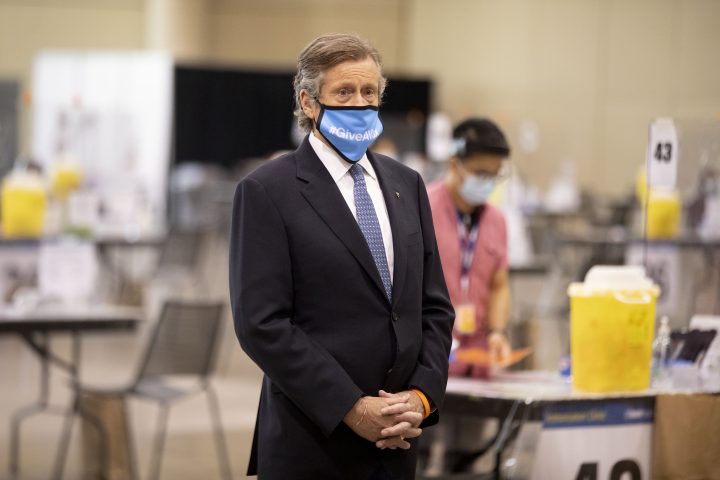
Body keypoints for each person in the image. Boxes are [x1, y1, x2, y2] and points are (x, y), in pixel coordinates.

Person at [229, 33, 454, 479]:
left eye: (368, 93)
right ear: (309, 102)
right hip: (313, 438)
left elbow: (433, 306)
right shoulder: (267, 190)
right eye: (344, 93)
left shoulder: (406, 184)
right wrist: (351, 407)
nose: (359, 104)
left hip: (397, 439)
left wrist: (421, 398)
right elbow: (261, 323)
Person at [428, 117, 512, 378]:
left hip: (478, 358)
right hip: (432, 354)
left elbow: (499, 285)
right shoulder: (422, 208)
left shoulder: (496, 221)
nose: (487, 182)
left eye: (494, 175)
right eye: (481, 174)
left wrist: (497, 332)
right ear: (455, 165)